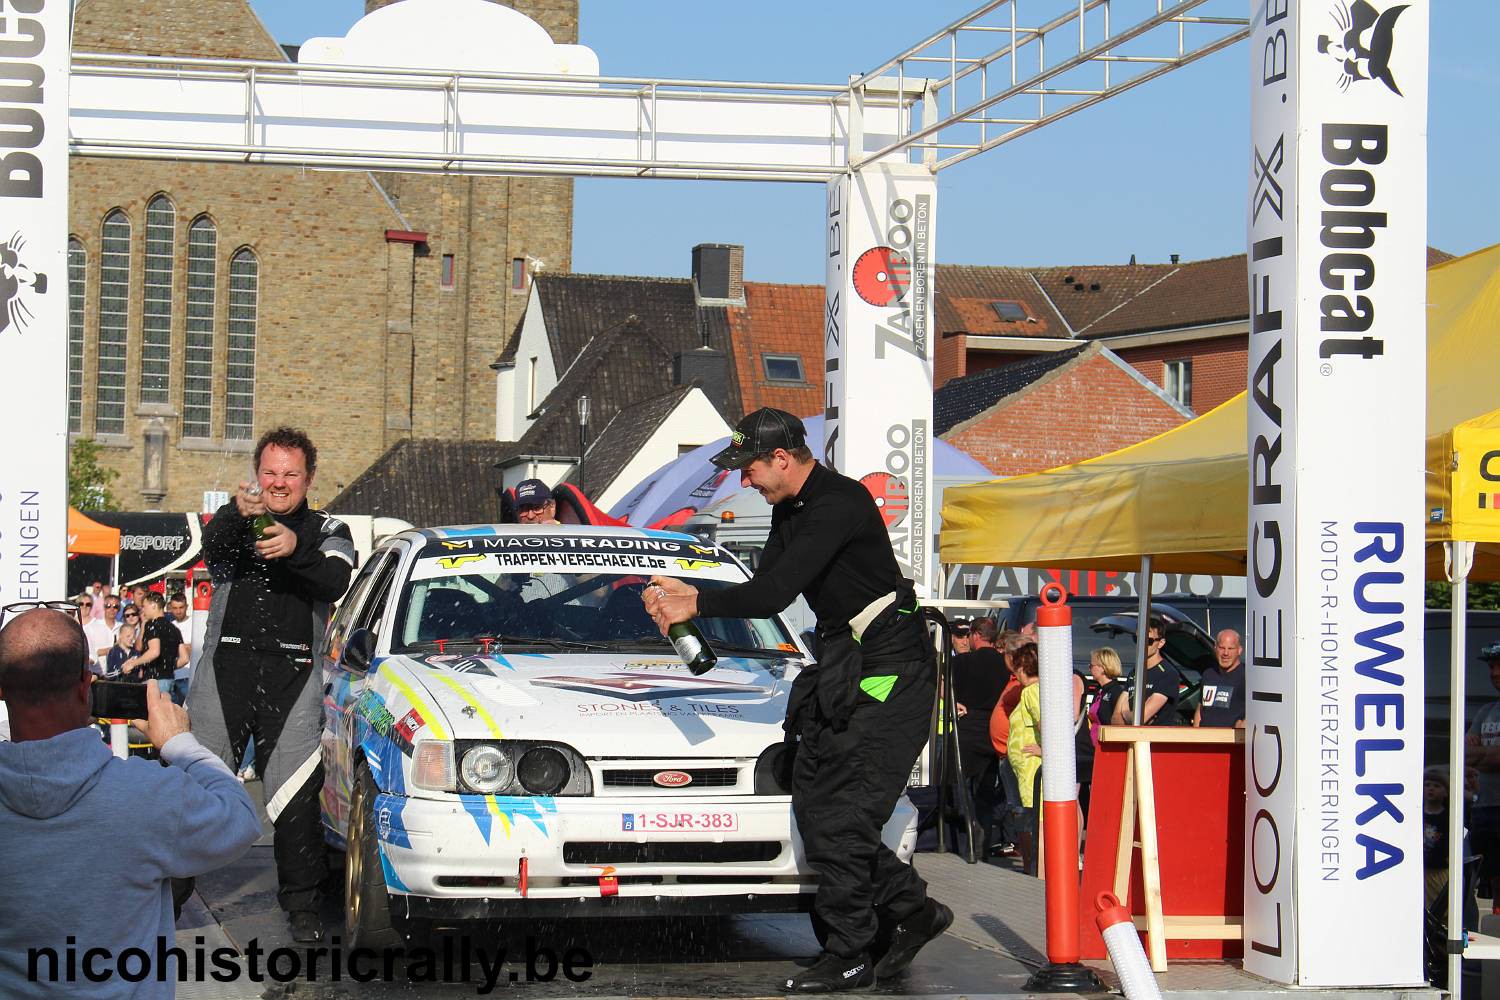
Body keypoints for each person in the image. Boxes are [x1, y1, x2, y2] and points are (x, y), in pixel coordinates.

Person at [643, 407, 949, 992]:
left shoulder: (839, 503)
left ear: (782, 458)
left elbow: (773, 593)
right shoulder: (789, 508)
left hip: (891, 670)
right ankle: (913, 912)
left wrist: (696, 604)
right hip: (846, 662)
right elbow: (763, 587)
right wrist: (689, 593)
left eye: (750, 468)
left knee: (843, 818)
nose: (744, 480)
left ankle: (850, 952)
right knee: (812, 800)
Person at [0, 607, 261, 998]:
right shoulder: (148, 796)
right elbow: (240, 819)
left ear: (2, 689)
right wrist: (178, 743)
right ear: (86, 686)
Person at [186, 427, 356, 943]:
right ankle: (162, 897)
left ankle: (303, 912)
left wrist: (295, 547)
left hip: (294, 673)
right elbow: (213, 554)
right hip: (227, 669)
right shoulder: (237, 519)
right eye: (270, 472)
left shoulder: (330, 526)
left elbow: (335, 580)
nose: (279, 483)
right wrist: (235, 516)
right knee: (193, 790)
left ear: (309, 479)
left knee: (295, 797)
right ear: (256, 474)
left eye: (290, 474)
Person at [951, 617, 1006, 851]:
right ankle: (983, 843)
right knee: (986, 791)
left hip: (968, 726)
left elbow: (939, 681)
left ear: (975, 635)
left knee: (957, 784)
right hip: (994, 729)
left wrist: (952, 701)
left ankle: (966, 834)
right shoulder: (1005, 663)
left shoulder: (962, 662)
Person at [1463, 643, 1500, 909]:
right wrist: (1485, 753)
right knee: (1492, 872)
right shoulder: (1485, 710)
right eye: (1491, 668)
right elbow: (1464, 755)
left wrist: (1479, 752)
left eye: (1499, 667)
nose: (1494, 673)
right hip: (1485, 806)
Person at [1005, 643, 1043, 876]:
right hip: (1026, 768)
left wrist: (1045, 750)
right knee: (1031, 818)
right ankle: (1035, 866)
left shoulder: (1031, 691)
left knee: (1035, 820)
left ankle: (1038, 867)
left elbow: (1044, 721)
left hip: (1032, 769)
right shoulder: (1034, 690)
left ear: (1022, 669)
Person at [1114, 617, 1180, 726]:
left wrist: (1124, 712)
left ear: (1161, 643)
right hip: (1131, 740)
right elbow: (1114, 719)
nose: (1142, 645)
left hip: (1155, 740)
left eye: (1148, 641)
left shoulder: (1168, 674)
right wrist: (1129, 716)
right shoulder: (1134, 672)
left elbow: (1140, 719)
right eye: (1137, 639)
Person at [116, 592, 180, 695]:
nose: (143, 610)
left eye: (144, 606)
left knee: (153, 711)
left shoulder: (152, 625)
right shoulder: (174, 628)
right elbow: (184, 658)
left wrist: (133, 663)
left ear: (153, 606)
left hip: (154, 681)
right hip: (170, 680)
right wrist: (167, 667)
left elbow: (154, 652)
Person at [1195, 628, 1245, 727]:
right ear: (1215, 648)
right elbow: (1200, 711)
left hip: (1231, 740)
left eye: (1230, 649)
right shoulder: (1208, 674)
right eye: (1222, 648)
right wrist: (1196, 738)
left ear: (1239, 650)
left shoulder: (1247, 676)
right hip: (1205, 739)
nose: (1225, 653)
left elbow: (1260, 711)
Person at [167, 592, 193, 704]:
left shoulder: (194, 622)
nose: (178, 611)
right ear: (170, 608)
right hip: (172, 678)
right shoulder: (169, 626)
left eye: (181, 607)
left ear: (186, 606)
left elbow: (194, 648)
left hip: (188, 676)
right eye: (175, 608)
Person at [79, 595, 115, 674]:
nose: (84, 606)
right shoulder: (70, 624)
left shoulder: (101, 626)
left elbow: (112, 648)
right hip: (74, 674)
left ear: (92, 606)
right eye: (81, 604)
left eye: (88, 604)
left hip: (97, 674)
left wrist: (98, 652)